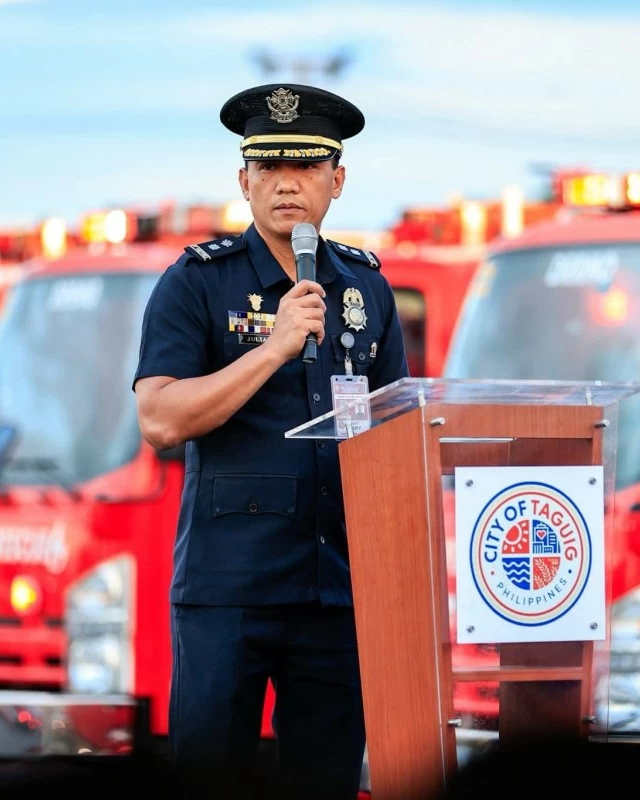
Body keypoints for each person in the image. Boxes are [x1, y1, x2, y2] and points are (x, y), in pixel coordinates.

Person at [132, 83, 409, 799]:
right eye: (270, 166)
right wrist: (273, 349)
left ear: (337, 181)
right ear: (244, 180)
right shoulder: (197, 283)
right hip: (231, 589)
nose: (288, 182)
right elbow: (159, 419)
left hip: (335, 589)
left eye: (309, 166)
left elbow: (394, 430)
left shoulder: (367, 290)